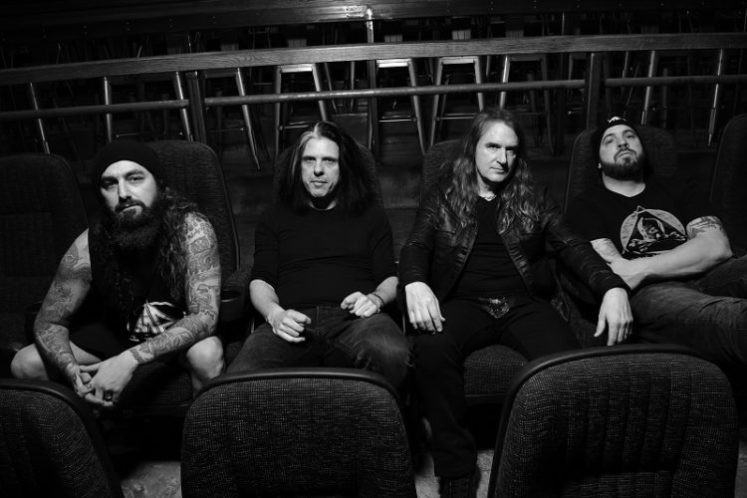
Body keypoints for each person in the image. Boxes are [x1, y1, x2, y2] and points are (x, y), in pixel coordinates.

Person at [399, 108, 632, 497]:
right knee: (431, 349)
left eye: (510, 150)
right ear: (473, 148)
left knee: (566, 366)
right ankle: (456, 470)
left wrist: (612, 286)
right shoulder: (443, 194)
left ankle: (550, 466)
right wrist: (414, 282)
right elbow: (416, 245)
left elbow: (572, 245)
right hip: (463, 302)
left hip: (523, 302)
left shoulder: (533, 195)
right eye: (493, 147)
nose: (502, 159)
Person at [11, 140, 224, 408]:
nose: (123, 193)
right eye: (110, 184)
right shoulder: (87, 245)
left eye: (135, 178)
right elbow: (48, 322)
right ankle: (85, 430)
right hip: (116, 336)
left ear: (159, 184)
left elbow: (205, 316)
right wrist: (71, 371)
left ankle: (203, 430)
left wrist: (129, 359)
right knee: (25, 363)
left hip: (176, 339)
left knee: (207, 353)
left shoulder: (192, 231)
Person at [227, 121, 410, 388]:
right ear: (297, 166)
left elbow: (390, 276)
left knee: (392, 354)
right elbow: (261, 280)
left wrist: (376, 298)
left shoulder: (371, 216)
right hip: (291, 319)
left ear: (343, 167)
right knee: (238, 380)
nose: (318, 170)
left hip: (356, 321)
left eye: (329, 161)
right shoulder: (274, 217)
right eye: (309, 160)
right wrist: (275, 315)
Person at [566, 115, 747, 376]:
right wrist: (686, 255)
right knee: (729, 319)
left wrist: (640, 268)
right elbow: (615, 272)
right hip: (653, 293)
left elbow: (716, 247)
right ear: (597, 160)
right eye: (610, 140)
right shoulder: (585, 206)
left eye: (630, 136)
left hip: (712, 273)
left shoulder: (679, 187)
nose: (623, 143)